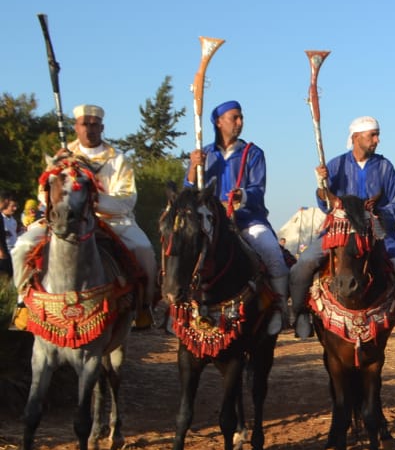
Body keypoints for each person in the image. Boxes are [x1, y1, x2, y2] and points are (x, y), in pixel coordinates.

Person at [12, 105, 158, 326]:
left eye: (94, 124)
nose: (89, 129)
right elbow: (44, 196)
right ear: (75, 127)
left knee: (144, 249)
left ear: (102, 127)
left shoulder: (118, 159)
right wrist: (55, 171)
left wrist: (93, 200)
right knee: (22, 246)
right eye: (84, 124)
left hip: (111, 219)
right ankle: (22, 302)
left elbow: (127, 199)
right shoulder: (63, 155)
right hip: (66, 218)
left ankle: (144, 306)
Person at [291, 116, 395, 340]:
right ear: (355, 137)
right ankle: (299, 314)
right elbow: (326, 205)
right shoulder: (335, 165)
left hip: (379, 234)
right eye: (372, 135)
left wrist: (380, 215)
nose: (377, 140)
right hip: (338, 233)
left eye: (377, 134)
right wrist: (320, 185)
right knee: (303, 264)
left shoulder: (385, 167)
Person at [186, 100, 291, 336]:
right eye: (234, 117)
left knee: (274, 256)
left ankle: (280, 308)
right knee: (184, 254)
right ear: (218, 121)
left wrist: (240, 195)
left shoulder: (252, 153)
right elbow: (189, 189)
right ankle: (179, 311)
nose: (240, 122)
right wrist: (193, 167)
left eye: (241, 117)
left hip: (248, 221)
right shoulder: (204, 155)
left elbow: (257, 189)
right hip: (211, 223)